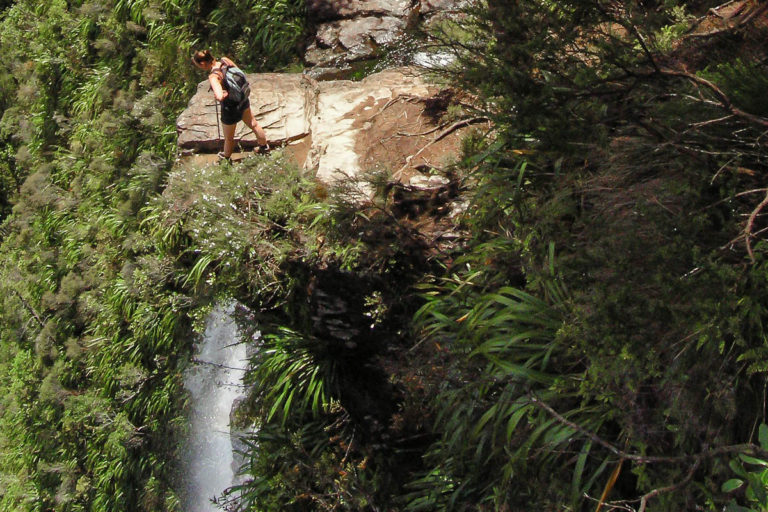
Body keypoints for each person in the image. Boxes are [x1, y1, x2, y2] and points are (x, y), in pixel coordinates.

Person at [192, 50, 268, 160]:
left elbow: (219, 96)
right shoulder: (225, 60)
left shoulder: (214, 76)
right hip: (242, 99)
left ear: (203, 63)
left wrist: (223, 93)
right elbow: (239, 72)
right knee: (254, 124)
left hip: (230, 108)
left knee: (229, 138)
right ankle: (264, 147)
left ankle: (226, 159)